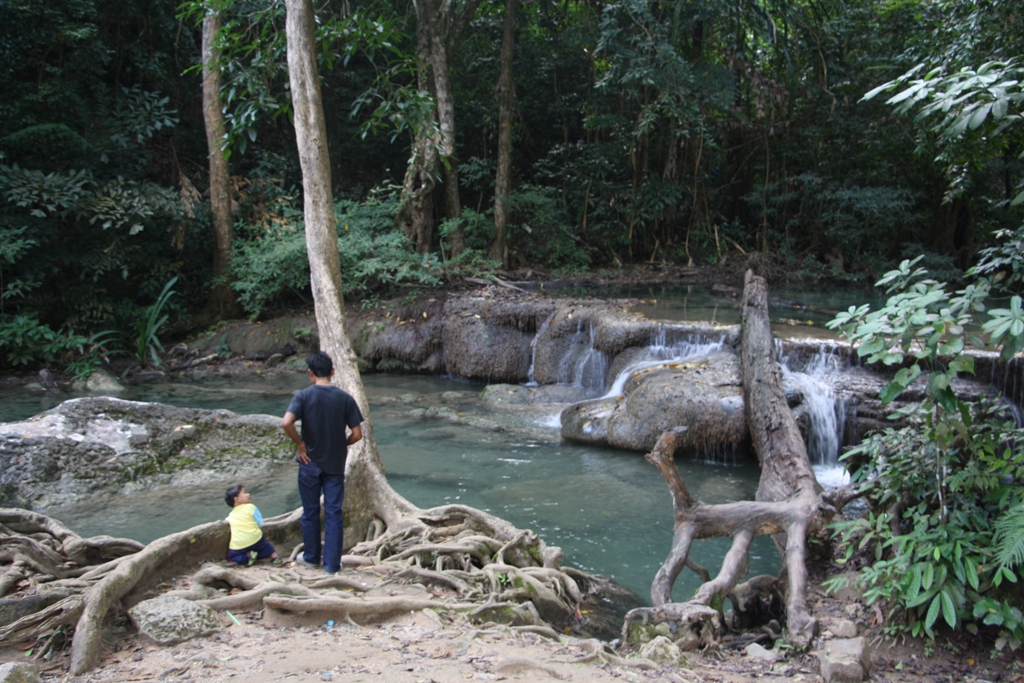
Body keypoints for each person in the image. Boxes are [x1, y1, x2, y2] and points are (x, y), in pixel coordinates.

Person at [281, 351, 364, 574]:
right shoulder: (345, 398)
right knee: (333, 513)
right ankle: (332, 565)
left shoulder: (304, 396)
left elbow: (286, 422)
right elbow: (357, 434)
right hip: (335, 465)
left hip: (309, 463)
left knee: (310, 512)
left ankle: (310, 558)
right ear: (332, 372)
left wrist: (300, 444)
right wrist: (342, 443)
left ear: (310, 374)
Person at [224, 484, 280, 566]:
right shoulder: (251, 507)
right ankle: (276, 557)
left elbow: (226, 521)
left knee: (232, 556)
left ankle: (248, 556)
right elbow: (260, 522)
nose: (248, 494)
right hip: (255, 538)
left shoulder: (231, 515)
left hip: (239, 544)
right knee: (265, 544)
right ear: (237, 499)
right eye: (245, 492)